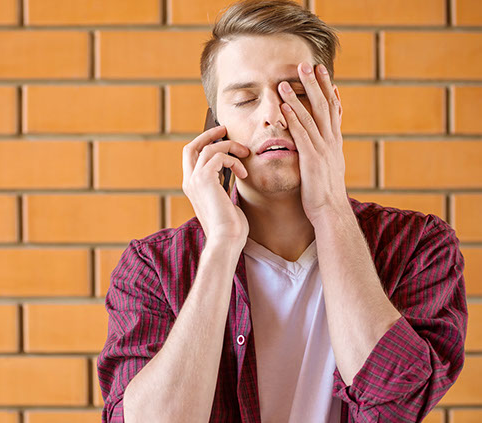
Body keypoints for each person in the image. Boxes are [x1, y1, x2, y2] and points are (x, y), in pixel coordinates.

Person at [96, 1, 468, 422]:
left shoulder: (418, 246)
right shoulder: (153, 267)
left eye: (298, 93)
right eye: (246, 99)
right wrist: (220, 245)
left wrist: (329, 206)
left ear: (334, 107)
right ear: (214, 127)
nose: (273, 115)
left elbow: (395, 399)